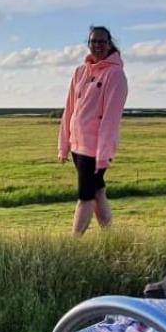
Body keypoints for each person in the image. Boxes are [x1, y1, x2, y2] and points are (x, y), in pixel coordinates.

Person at [58, 26, 129, 235]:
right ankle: (110, 237)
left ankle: (73, 243)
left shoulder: (115, 75)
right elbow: (69, 108)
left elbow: (111, 118)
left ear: (110, 44)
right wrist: (63, 144)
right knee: (98, 192)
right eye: (93, 41)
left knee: (85, 196)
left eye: (102, 41)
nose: (97, 45)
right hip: (77, 146)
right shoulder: (80, 71)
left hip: (95, 149)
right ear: (88, 44)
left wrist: (103, 155)